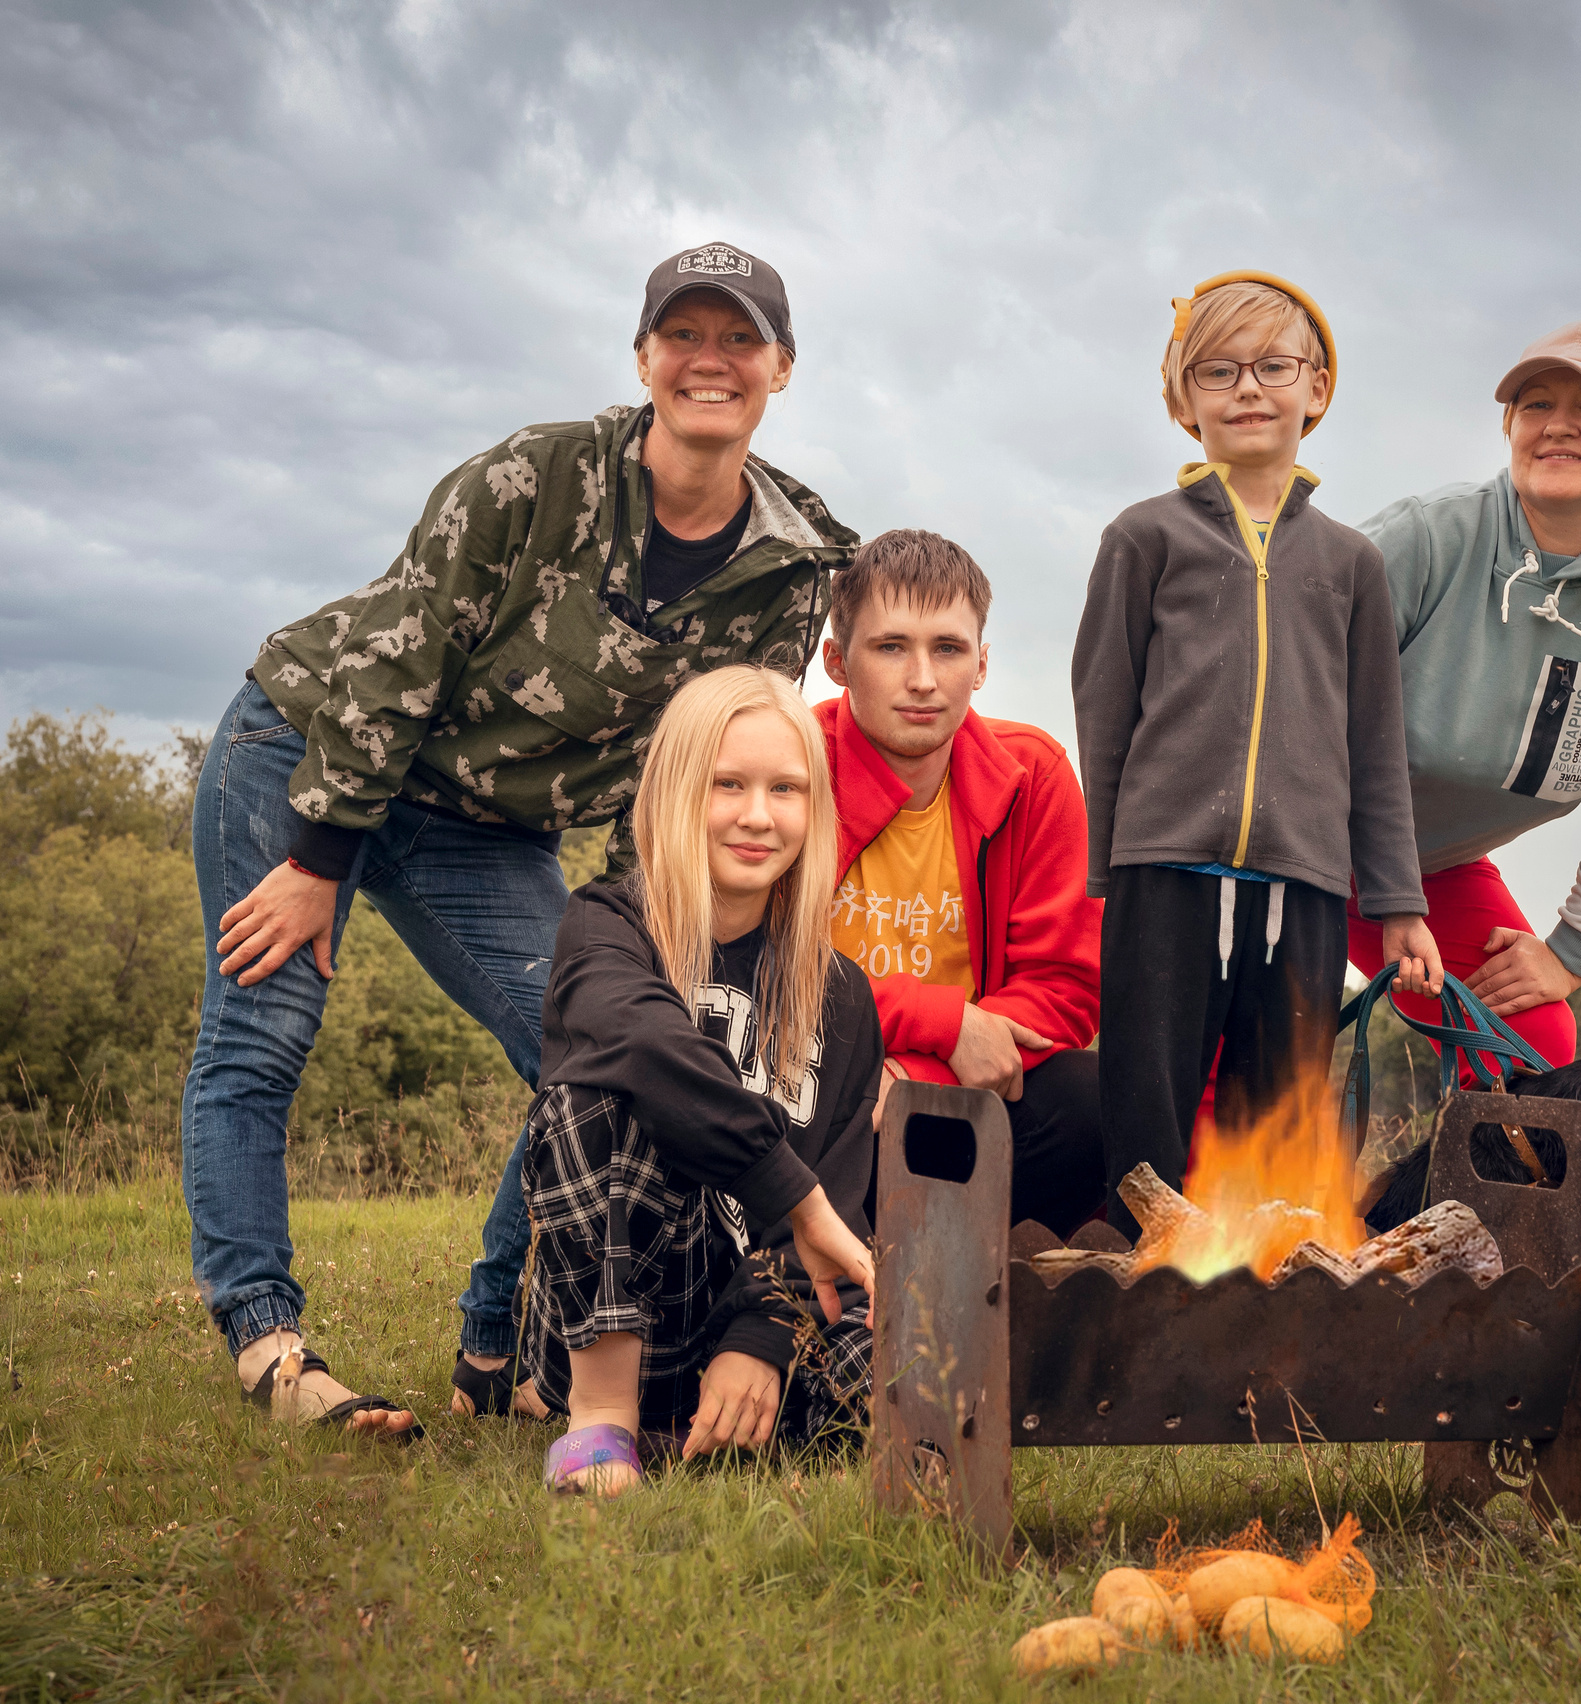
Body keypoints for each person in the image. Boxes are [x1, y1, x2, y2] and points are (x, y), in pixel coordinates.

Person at [181, 242, 857, 1438]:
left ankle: (494, 1338)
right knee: (261, 1030)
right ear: (643, 358)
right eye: (683, 335)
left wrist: (646, 939)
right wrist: (318, 861)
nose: (709, 360)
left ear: (782, 368)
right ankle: (270, 1347)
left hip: (484, 824)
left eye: (739, 339)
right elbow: (396, 657)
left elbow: (689, 771)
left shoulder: (791, 570)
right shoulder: (533, 477)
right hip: (313, 748)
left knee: (592, 1046)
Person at [1071, 273, 1440, 1237]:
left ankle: (1258, 1289)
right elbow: (1104, 708)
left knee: (1277, 1123)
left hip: (1304, 888)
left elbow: (1376, 742)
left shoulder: (1353, 564)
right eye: (1218, 370)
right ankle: (1137, 1282)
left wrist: (1398, 904)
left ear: (1316, 388)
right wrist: (1109, 867)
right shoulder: (1142, 537)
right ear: (1181, 399)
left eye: (1273, 367)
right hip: (1162, 877)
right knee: (1146, 1120)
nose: (1247, 388)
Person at [520, 665, 881, 1496]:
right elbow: (643, 1048)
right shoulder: (608, 926)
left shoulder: (840, 992)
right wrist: (794, 1193)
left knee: (901, 1360)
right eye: (729, 785)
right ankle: (600, 1422)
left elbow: (837, 1194)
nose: (758, 815)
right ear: (677, 792)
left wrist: (763, 1337)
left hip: (763, 1300)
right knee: (600, 1094)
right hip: (624, 1295)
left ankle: (724, 1419)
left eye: (786, 789)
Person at [1354, 322, 1581, 1072]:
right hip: (1269, 835)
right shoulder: (1424, 539)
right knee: (1233, 1036)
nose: (1559, 424)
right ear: (1509, 428)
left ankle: (1467, 1164)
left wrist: (1572, 952)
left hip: (1431, 862)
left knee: (1531, 1045)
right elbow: (1273, 698)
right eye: (1536, 405)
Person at [816, 529, 1105, 1236]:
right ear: (837, 661)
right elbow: (751, 970)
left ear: (980, 665)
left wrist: (923, 1071)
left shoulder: (1032, 773)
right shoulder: (791, 766)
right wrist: (940, 1024)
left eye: (947, 648)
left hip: (961, 1091)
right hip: (815, 1092)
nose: (923, 679)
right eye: (891, 647)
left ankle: (980, 1273)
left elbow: (1065, 988)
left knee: (1092, 1101)